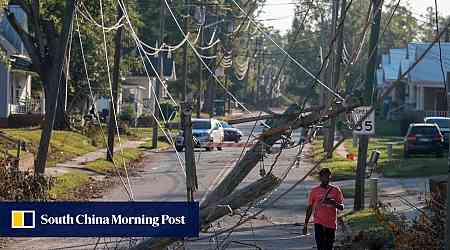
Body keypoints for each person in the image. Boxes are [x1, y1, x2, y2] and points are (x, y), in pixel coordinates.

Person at [303, 168, 344, 250]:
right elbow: (310, 208)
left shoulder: (336, 190)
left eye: (328, 177)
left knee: (328, 247)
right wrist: (305, 224)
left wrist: (333, 203)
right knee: (320, 246)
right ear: (320, 178)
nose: (327, 179)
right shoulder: (314, 191)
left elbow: (341, 207)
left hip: (331, 223)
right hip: (319, 222)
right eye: (325, 177)